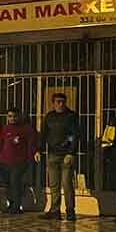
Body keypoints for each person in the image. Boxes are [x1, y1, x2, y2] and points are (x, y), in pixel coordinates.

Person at [37, 92, 80, 221]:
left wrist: (71, 152)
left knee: (67, 184)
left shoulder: (71, 116)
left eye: (62, 102)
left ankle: (70, 211)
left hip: (66, 154)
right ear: (53, 103)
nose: (60, 104)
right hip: (52, 154)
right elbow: (43, 134)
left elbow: (75, 135)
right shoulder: (49, 117)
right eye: (58, 102)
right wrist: (39, 150)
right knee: (54, 184)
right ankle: (55, 210)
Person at [0, 108, 38, 214]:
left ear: (19, 117)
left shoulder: (26, 129)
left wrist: (29, 158)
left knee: (15, 182)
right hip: (4, 162)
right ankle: (11, 204)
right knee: (7, 184)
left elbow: (32, 143)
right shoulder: (4, 128)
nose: (12, 118)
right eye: (9, 116)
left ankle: (17, 206)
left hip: (19, 162)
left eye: (14, 116)